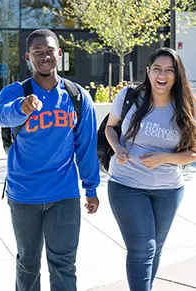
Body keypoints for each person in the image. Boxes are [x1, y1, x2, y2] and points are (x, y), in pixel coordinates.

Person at [0, 29, 100, 291]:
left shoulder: (77, 96)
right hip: (23, 195)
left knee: (64, 266)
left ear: (60, 54)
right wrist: (23, 107)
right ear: (27, 57)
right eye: (37, 52)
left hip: (64, 194)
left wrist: (91, 188)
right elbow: (4, 117)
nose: (44, 57)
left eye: (49, 51)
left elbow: (86, 147)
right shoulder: (14, 92)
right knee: (28, 264)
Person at [105, 47, 196, 291]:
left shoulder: (187, 106)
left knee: (155, 248)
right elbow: (110, 128)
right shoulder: (130, 96)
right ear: (148, 71)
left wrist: (165, 158)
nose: (162, 75)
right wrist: (117, 147)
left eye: (169, 70)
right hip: (127, 185)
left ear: (177, 75)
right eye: (157, 69)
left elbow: (193, 152)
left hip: (169, 190)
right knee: (143, 248)